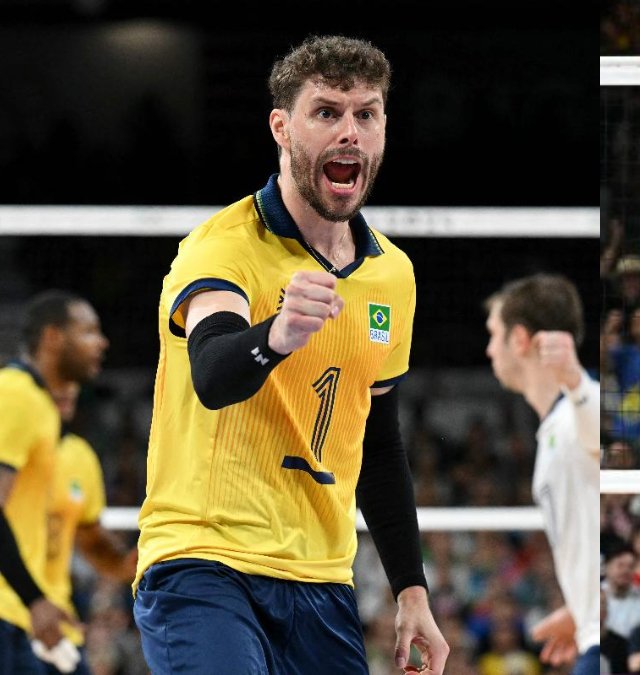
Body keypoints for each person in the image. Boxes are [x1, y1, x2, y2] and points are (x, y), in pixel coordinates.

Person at [131, 35, 447, 674]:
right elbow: (214, 374)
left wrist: (412, 592)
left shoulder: (393, 275)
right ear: (282, 126)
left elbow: (378, 443)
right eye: (327, 113)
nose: (350, 133)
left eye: (367, 114)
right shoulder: (222, 248)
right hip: (203, 562)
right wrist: (276, 335)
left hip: (322, 578)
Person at [482, 274, 601, 675]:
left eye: (494, 335)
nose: (488, 349)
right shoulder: (555, 425)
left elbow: (604, 438)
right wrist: (580, 608)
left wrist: (575, 380)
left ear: (519, 340)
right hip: (589, 631)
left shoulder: (576, 412)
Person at [0, 291, 107, 674]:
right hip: (13, 610)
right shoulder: (15, 394)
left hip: (28, 612)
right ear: (53, 338)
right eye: (89, 332)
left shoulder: (42, 409)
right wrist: (34, 599)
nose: (102, 342)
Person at [44, 379, 139, 675]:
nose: (67, 388)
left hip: (56, 626)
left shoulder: (79, 456)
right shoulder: (10, 448)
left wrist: (126, 566)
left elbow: (93, 543)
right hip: (9, 614)